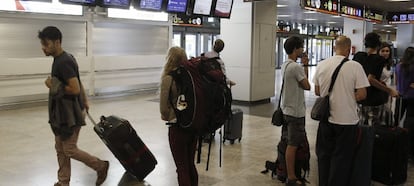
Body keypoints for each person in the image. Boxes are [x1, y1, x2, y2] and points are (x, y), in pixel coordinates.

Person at [39, 26, 109, 186]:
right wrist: (84, 100)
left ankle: (100, 166)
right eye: (42, 44)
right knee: (59, 148)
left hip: (69, 116)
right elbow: (77, 82)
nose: (43, 48)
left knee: (69, 149)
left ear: (57, 42)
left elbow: (74, 88)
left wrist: (53, 86)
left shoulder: (64, 61)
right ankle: (63, 182)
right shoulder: (63, 59)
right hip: (61, 115)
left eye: (46, 44)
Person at [313, 36, 370, 186]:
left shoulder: (321, 64)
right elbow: (362, 94)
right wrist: (348, 96)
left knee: (324, 155)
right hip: (347, 120)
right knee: (342, 158)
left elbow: (318, 91)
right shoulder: (355, 66)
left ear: (334, 48)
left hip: (326, 119)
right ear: (349, 49)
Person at [159, 46, 198, 186]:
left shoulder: (168, 79)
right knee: (190, 165)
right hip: (192, 126)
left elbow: (163, 108)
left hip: (177, 127)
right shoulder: (192, 77)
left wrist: (167, 116)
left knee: (181, 168)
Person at [280, 36, 311, 186]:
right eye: (301, 47)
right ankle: (291, 178)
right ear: (295, 49)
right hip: (295, 112)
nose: (303, 50)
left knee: (288, 143)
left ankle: (286, 172)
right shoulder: (295, 67)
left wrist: (304, 65)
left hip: (286, 110)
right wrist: (305, 65)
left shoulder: (285, 65)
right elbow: (307, 85)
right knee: (293, 145)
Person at [353, 32, 399, 125]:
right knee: (373, 125)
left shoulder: (359, 56)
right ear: (378, 45)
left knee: (361, 123)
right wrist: (389, 90)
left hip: (360, 96)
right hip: (373, 98)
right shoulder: (378, 59)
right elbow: (371, 79)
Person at [395, 47, 414, 157]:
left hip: (400, 95)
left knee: (397, 117)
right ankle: (408, 145)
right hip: (412, 96)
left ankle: (395, 139)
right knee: (410, 121)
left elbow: (396, 81)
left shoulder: (398, 66)